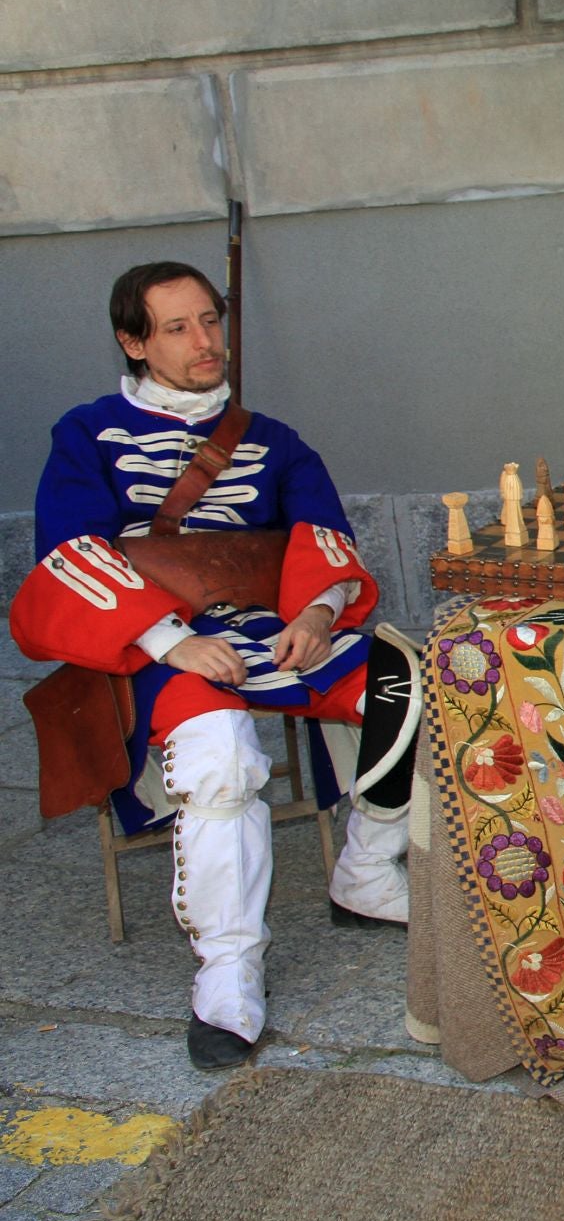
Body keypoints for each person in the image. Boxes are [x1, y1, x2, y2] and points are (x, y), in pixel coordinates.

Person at [10, 262, 417, 1071]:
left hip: (272, 628)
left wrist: (318, 611)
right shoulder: (85, 433)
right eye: (177, 328)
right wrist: (170, 640)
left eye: (211, 320)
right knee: (224, 755)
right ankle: (229, 971)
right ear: (133, 343)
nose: (206, 342)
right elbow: (67, 554)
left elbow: (325, 535)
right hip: (151, 639)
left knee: (422, 686)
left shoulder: (274, 440)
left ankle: (367, 870)